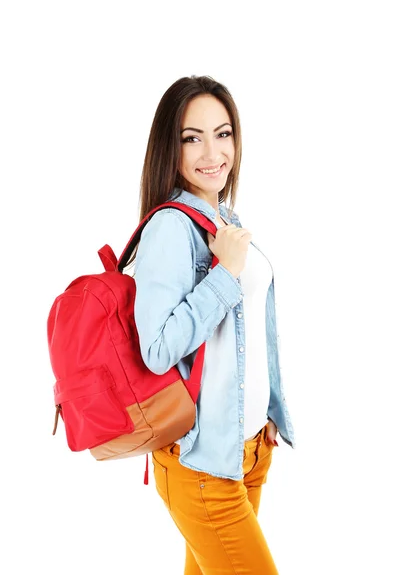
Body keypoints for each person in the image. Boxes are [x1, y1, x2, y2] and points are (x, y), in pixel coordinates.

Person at [125, 75, 295, 574]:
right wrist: (223, 275)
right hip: (202, 465)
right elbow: (156, 349)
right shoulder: (169, 228)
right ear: (169, 148)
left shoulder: (221, 218)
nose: (212, 152)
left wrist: (267, 414)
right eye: (191, 137)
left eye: (222, 134)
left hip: (247, 453)